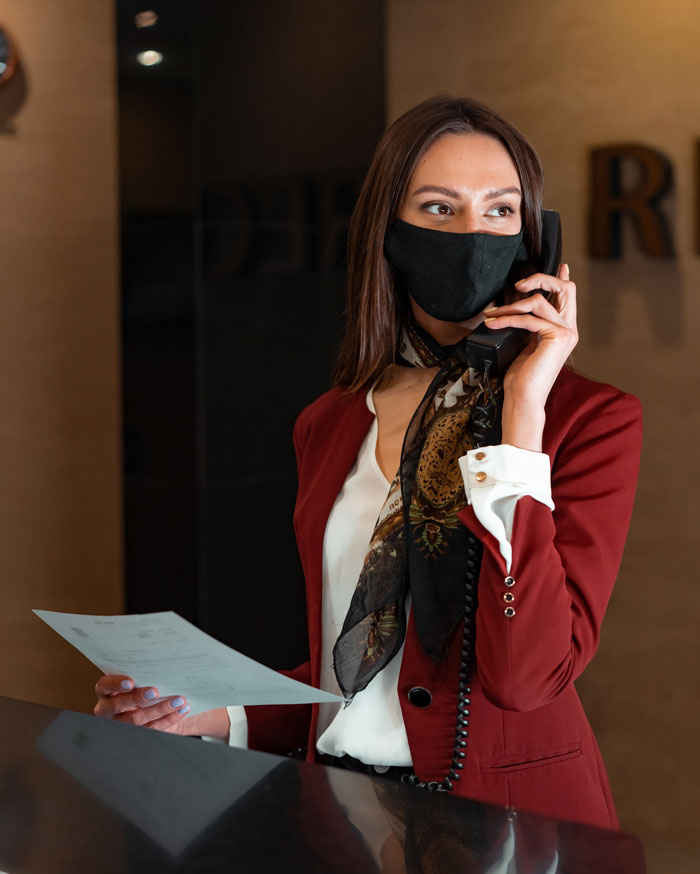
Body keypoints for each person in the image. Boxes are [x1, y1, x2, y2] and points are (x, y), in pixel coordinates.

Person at [93, 95, 642, 830]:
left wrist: (521, 416)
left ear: (535, 240)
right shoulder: (330, 422)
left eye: (501, 210)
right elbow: (354, 662)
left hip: (520, 831)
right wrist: (205, 711)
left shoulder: (589, 420)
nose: (474, 234)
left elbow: (526, 674)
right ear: (389, 232)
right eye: (440, 209)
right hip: (347, 821)